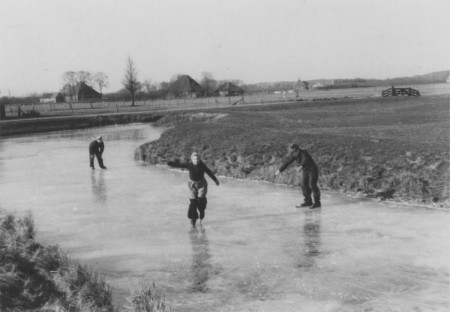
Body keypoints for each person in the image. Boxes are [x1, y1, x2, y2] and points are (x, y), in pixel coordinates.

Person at [167, 152, 219, 227]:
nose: (196, 160)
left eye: (198, 158)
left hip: (202, 185)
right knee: (193, 203)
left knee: (201, 200)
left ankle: (201, 211)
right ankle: (193, 219)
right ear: (192, 159)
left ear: (199, 159)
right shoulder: (189, 165)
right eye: (195, 159)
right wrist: (170, 163)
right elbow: (178, 165)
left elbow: (209, 172)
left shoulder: (202, 165)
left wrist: (215, 180)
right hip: (192, 185)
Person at [276, 143, 321, 208]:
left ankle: (317, 203)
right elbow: (287, 162)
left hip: (312, 170)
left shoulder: (304, 153)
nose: (289, 150)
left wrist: (301, 166)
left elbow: (306, 160)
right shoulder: (295, 154)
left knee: (312, 184)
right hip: (305, 170)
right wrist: (280, 170)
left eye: (290, 149)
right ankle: (308, 201)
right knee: (303, 184)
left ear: (295, 149)